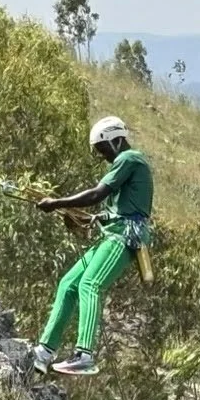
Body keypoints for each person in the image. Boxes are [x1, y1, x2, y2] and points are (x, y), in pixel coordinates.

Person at [32, 116, 154, 376]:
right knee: (69, 283)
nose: (102, 156)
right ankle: (45, 351)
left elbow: (98, 194)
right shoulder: (125, 163)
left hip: (123, 237)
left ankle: (84, 355)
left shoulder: (130, 159)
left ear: (117, 140)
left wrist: (56, 203)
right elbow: (115, 207)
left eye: (103, 149)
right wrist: (85, 217)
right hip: (111, 233)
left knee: (90, 284)